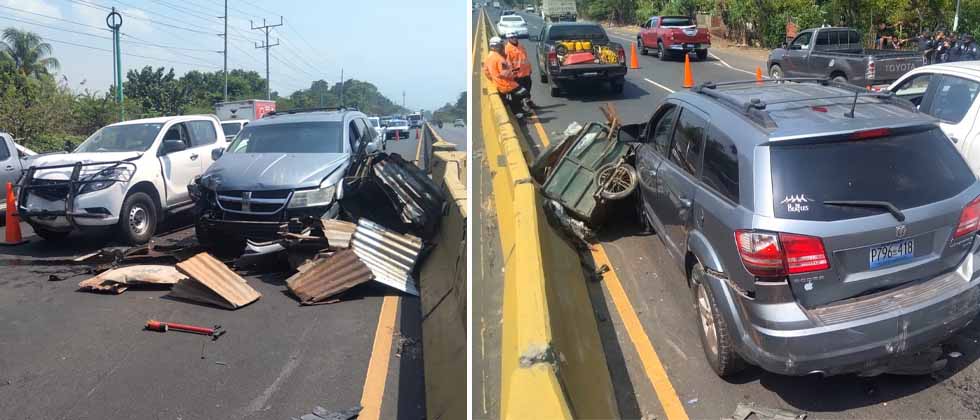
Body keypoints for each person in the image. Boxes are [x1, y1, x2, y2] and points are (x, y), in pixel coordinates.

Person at [483, 36, 530, 118]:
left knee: (515, 96)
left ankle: (517, 110)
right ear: (496, 47)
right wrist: (514, 74)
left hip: (498, 83)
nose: (503, 47)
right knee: (523, 93)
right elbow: (506, 74)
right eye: (501, 46)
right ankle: (517, 112)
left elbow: (486, 71)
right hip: (506, 84)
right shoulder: (499, 59)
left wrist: (494, 78)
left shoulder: (488, 57)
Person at [504, 31, 535, 108]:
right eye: (512, 38)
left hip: (526, 72)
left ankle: (528, 102)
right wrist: (513, 74)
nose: (514, 39)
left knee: (528, 88)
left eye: (515, 37)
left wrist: (530, 68)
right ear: (508, 39)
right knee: (520, 92)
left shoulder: (520, 45)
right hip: (517, 75)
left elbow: (525, 58)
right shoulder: (507, 49)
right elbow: (508, 63)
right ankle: (522, 107)